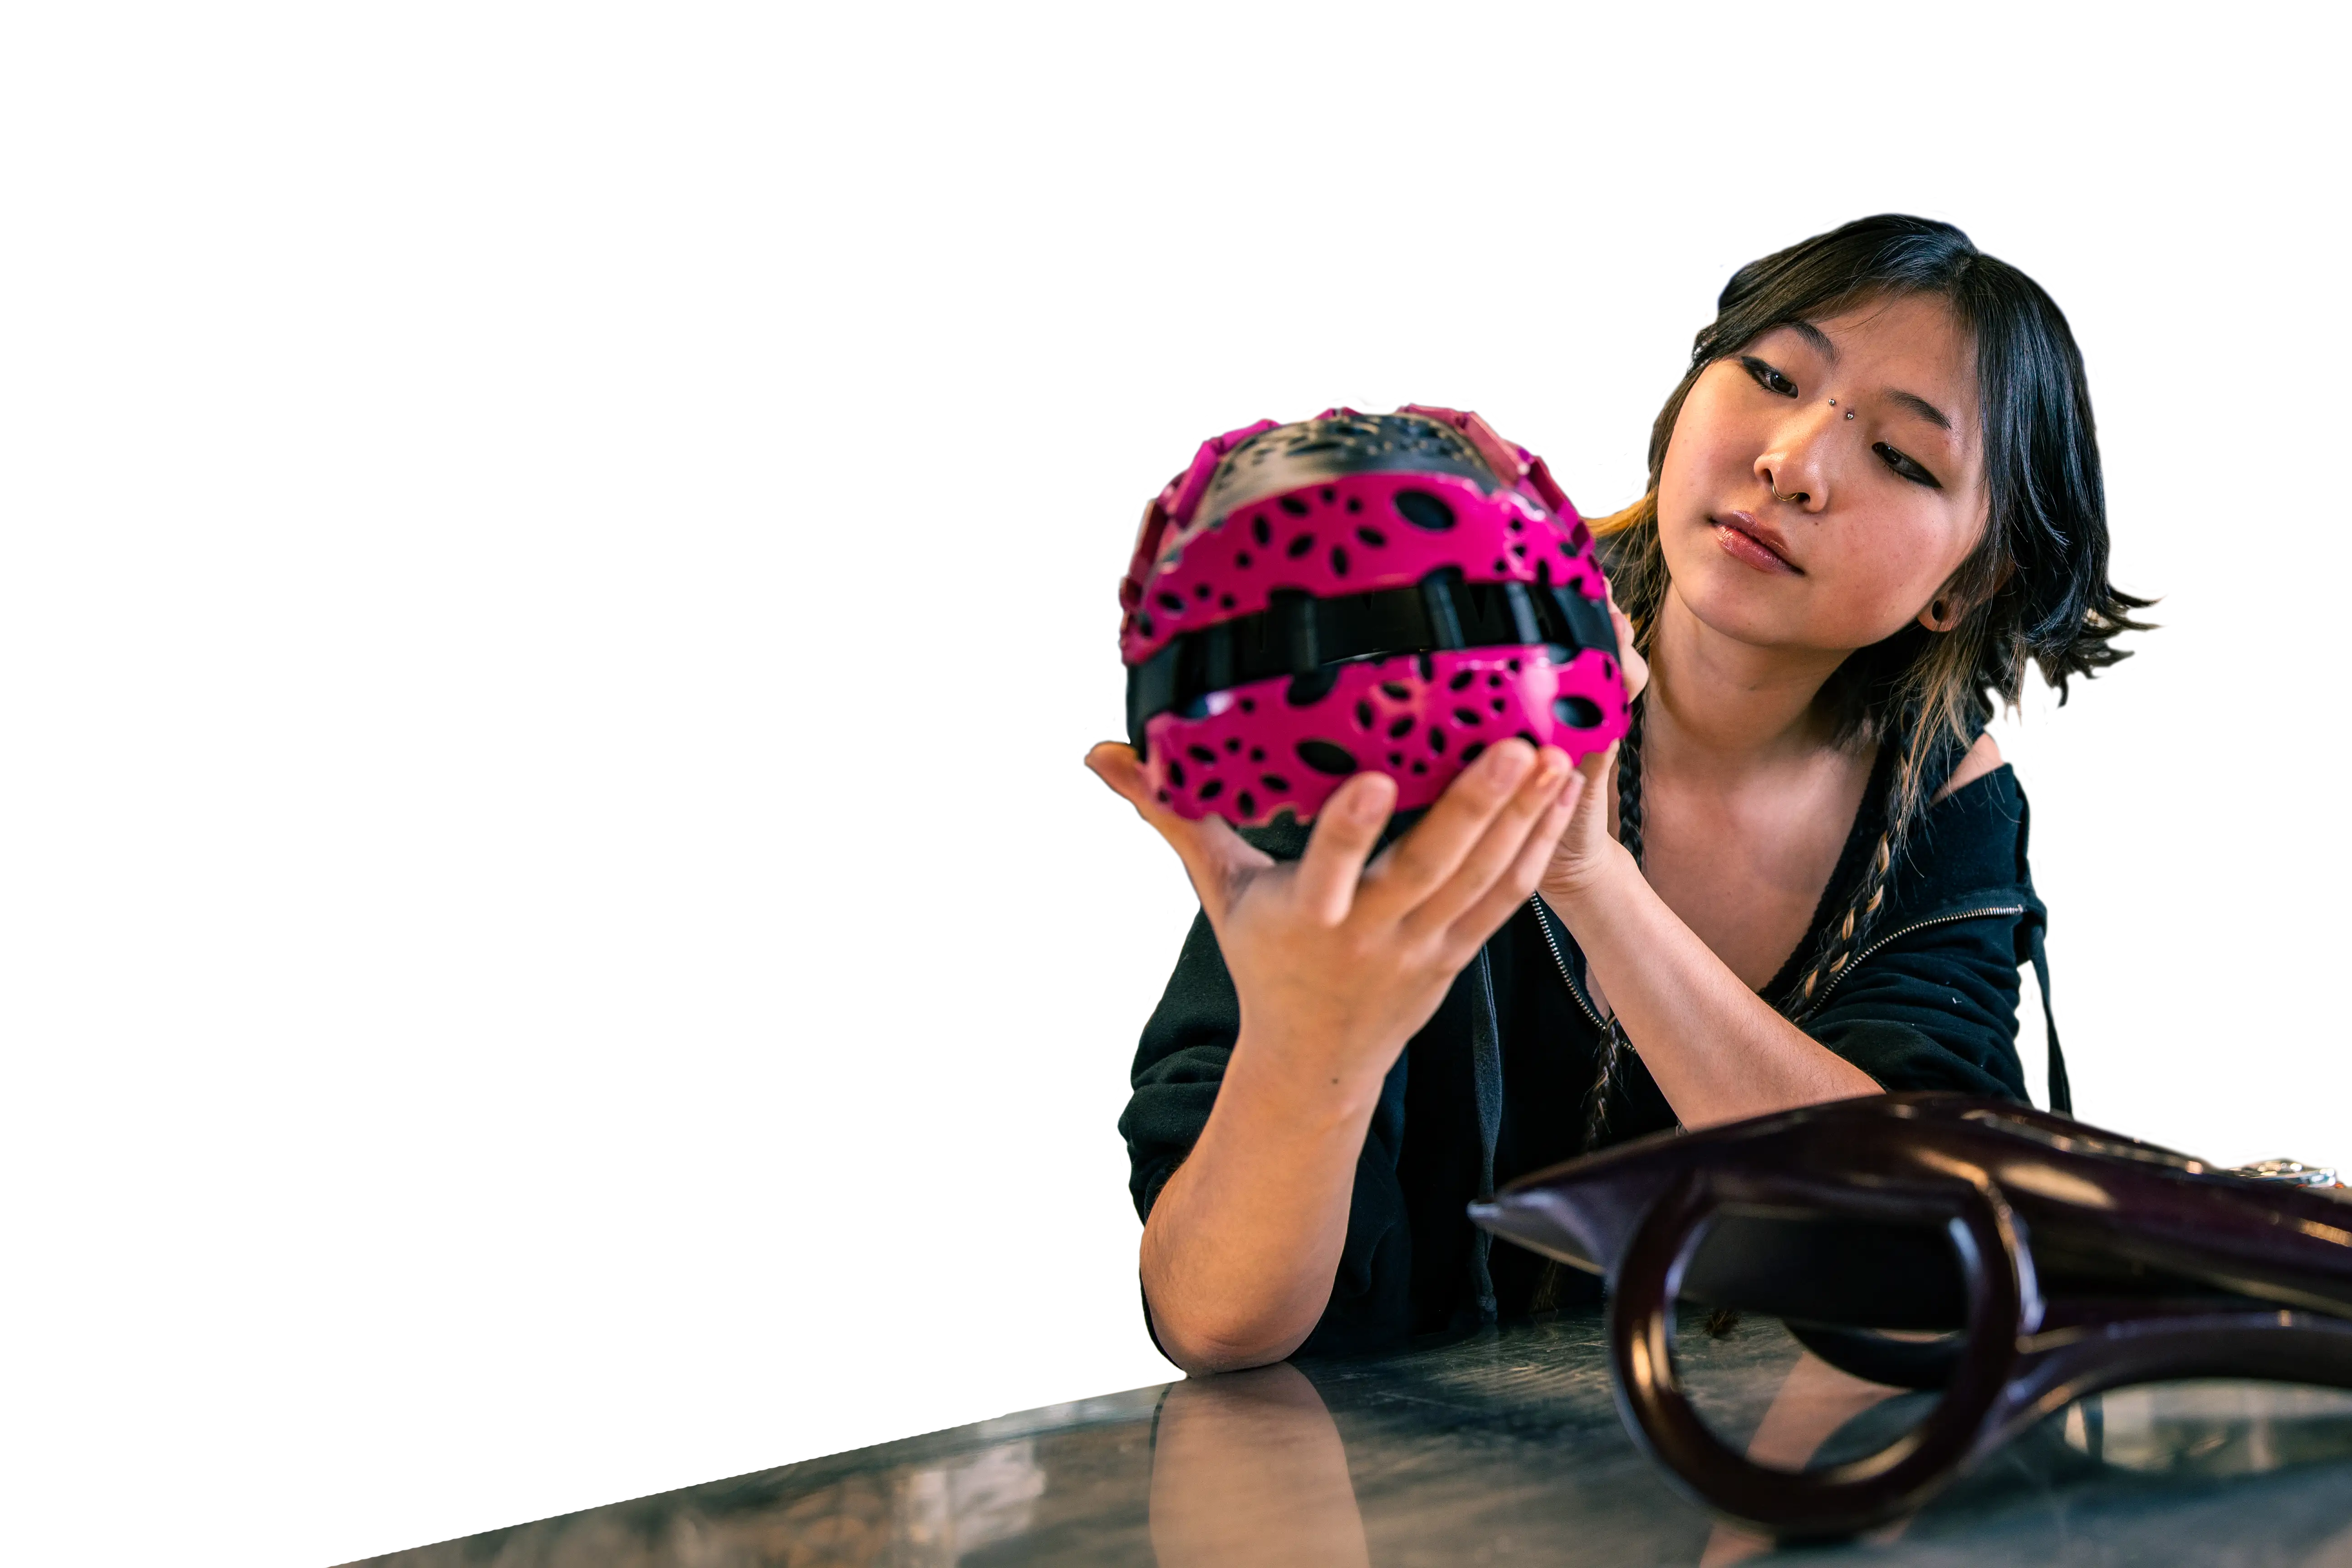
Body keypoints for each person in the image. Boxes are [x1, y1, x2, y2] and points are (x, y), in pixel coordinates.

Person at [1082, 209, 2165, 1375]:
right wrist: (1306, 1050)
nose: (1792, 465)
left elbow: (1919, 1263)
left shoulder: (1944, 795)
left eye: (1903, 458)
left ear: (1972, 581)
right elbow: (1214, 1322)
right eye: (1767, 373)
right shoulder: (1417, 681)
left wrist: (1594, 880)